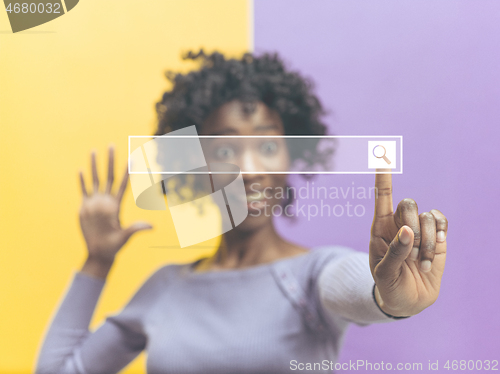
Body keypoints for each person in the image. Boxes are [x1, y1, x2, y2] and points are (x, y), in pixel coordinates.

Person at [35, 51, 448, 374]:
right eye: (227, 149)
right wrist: (97, 261)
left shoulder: (313, 275)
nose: (249, 170)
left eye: (267, 147)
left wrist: (390, 298)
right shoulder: (166, 289)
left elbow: (359, 285)